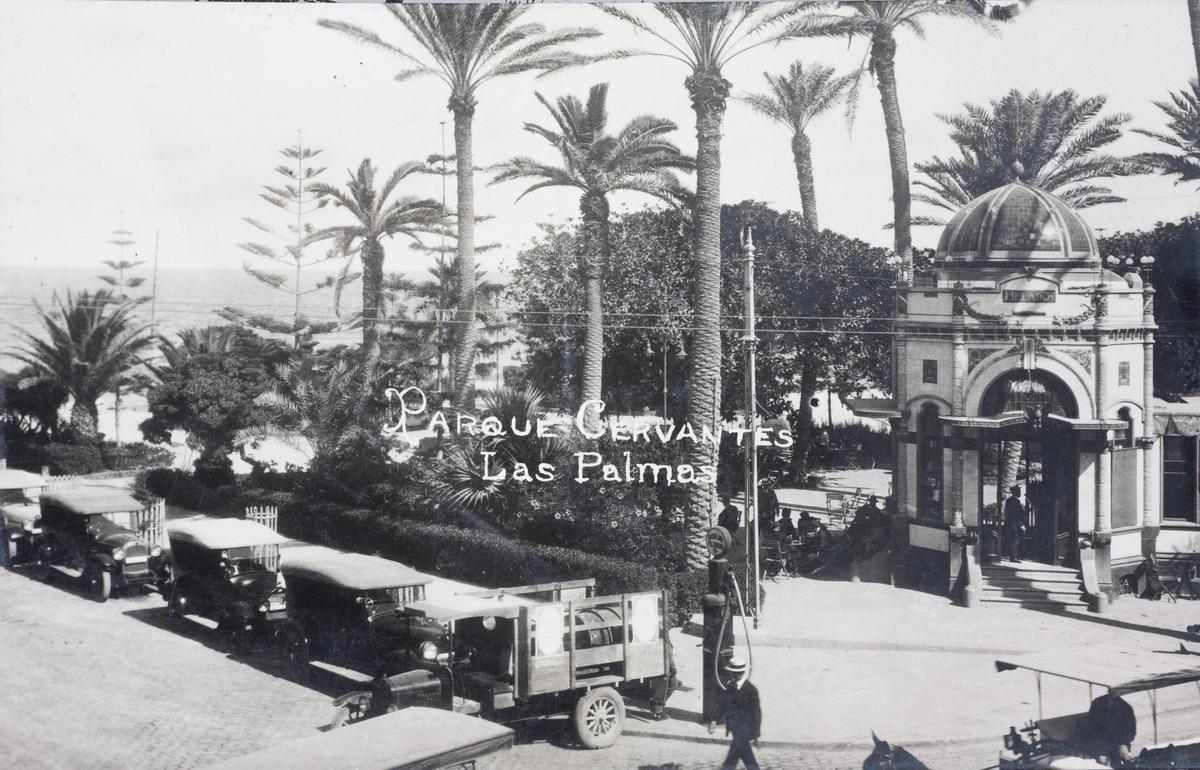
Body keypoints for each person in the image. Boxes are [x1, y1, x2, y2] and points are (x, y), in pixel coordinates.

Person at [719, 656, 761, 770]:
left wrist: (756, 734)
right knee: (745, 757)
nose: (731, 675)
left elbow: (756, 713)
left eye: (732, 673)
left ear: (737, 673)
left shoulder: (751, 690)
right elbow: (724, 704)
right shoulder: (731, 686)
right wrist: (714, 719)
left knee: (734, 759)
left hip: (744, 730)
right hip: (734, 728)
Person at [1075, 691, 1136, 766]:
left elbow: (1130, 730)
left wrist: (1123, 744)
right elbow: (1091, 728)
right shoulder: (1097, 703)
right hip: (1100, 742)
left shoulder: (1126, 707)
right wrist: (1099, 751)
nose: (1116, 693)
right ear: (1109, 690)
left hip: (1118, 742)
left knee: (1125, 761)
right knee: (1101, 762)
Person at [1002, 486, 1027, 563]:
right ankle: (1013, 557)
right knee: (1016, 540)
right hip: (1015, 525)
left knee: (1011, 540)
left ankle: (1010, 556)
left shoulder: (1009, 500)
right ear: (1016, 492)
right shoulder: (1016, 501)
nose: (1020, 493)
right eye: (1019, 491)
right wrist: (1021, 525)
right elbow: (1017, 514)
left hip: (1009, 524)